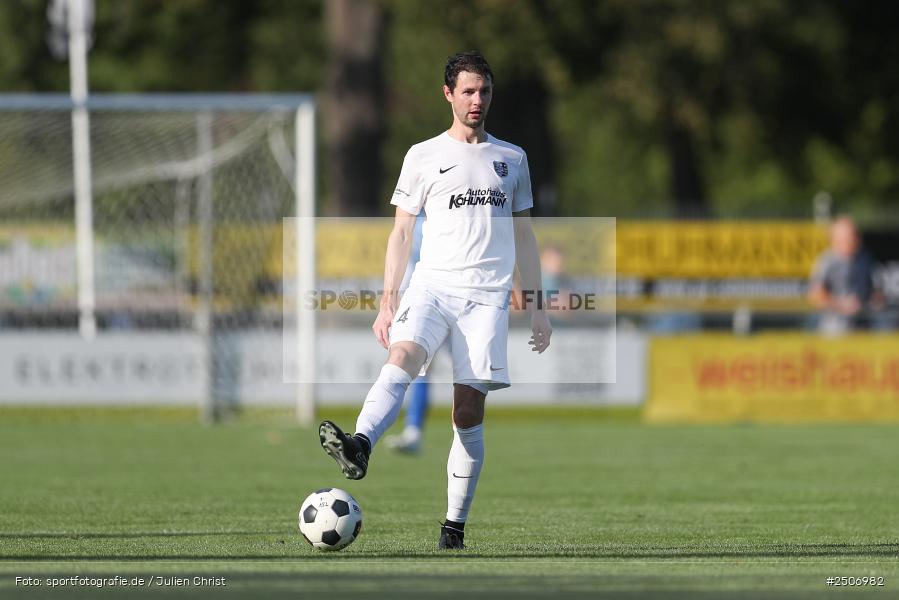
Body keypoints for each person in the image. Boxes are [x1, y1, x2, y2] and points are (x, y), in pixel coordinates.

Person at [317, 50, 551, 550]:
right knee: (401, 355)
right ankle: (360, 444)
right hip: (432, 286)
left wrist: (538, 305)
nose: (477, 100)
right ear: (448, 94)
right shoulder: (422, 155)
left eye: (484, 91)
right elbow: (401, 234)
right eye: (468, 91)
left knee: (466, 413)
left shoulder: (512, 159)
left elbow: (525, 236)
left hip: (485, 297)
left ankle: (453, 527)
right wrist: (387, 302)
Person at [385, 213, 431, 454]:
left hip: (455, 295)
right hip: (419, 298)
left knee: (468, 374)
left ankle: (414, 431)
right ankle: (412, 431)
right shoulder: (414, 213)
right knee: (415, 364)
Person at [808, 215, 882, 334]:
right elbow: (815, 295)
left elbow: (874, 290)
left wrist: (875, 300)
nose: (856, 238)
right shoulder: (827, 261)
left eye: (856, 234)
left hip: (863, 327)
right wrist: (841, 305)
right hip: (834, 330)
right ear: (837, 239)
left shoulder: (865, 258)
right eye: (851, 236)